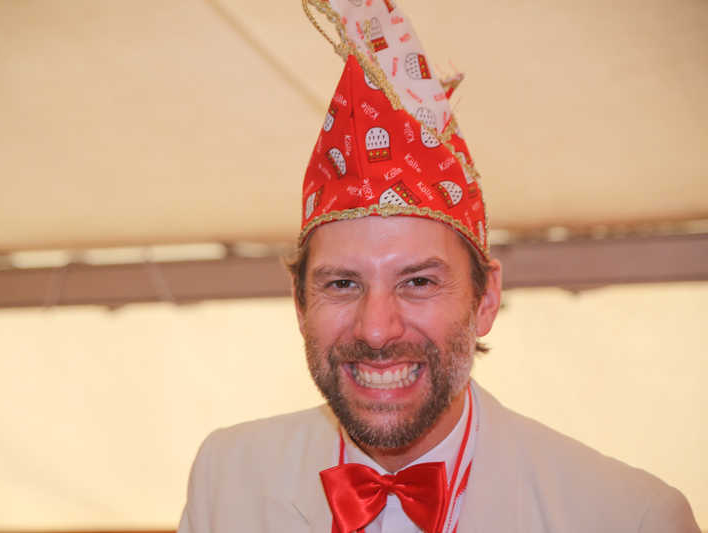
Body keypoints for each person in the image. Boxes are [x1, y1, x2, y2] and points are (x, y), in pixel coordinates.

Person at [178, 1, 700, 531]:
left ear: (485, 300)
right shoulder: (225, 480)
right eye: (342, 283)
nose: (376, 330)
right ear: (299, 304)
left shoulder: (630, 516)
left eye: (419, 281)